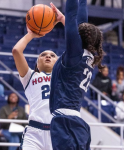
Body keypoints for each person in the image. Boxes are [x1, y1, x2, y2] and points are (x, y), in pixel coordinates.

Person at [49, 0, 104, 149]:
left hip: (65, 122)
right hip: (77, 123)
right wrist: (62, 19)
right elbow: (79, 18)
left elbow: (73, 15)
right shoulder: (89, 56)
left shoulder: (76, 53)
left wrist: (66, 17)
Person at [12, 2, 65, 149]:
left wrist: (63, 19)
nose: (48, 56)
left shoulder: (64, 77)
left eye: (52, 55)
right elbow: (17, 51)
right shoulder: (30, 76)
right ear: (37, 63)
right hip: (34, 132)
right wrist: (31, 34)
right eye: (43, 55)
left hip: (58, 132)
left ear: (58, 62)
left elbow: (80, 47)